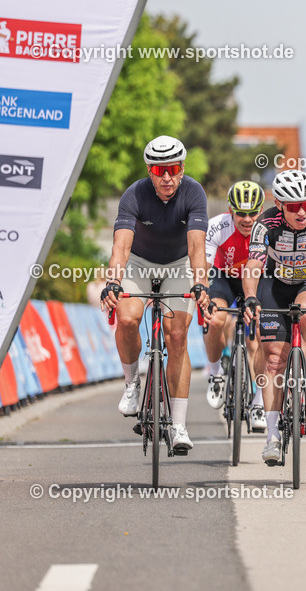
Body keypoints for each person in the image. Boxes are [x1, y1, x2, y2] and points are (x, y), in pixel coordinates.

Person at [101, 135, 211, 453]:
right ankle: (132, 382)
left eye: (173, 169)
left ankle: (178, 425)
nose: (166, 177)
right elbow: (121, 247)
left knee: (177, 336)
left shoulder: (194, 192)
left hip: (178, 264)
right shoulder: (134, 194)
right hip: (140, 262)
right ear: (149, 171)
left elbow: (196, 247)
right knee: (127, 318)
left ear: (182, 168)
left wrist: (200, 283)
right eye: (158, 170)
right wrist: (113, 282)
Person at [241, 170, 306, 466]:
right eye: (293, 206)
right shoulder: (265, 224)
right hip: (275, 284)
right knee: (274, 359)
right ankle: (272, 436)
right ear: (278, 204)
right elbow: (253, 265)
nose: (302, 212)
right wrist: (250, 296)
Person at [203, 181, 265, 431]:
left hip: (258, 280)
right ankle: (216, 374)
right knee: (215, 319)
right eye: (241, 213)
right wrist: (202, 292)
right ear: (231, 210)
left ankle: (260, 401)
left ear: (261, 210)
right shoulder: (217, 226)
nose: (247, 219)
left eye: (253, 213)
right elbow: (204, 267)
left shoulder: (269, 228)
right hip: (224, 277)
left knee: (260, 333)